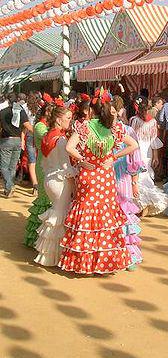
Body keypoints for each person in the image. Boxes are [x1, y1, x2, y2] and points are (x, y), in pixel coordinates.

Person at [59, 91, 138, 275]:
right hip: (106, 175)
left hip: (88, 175)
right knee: (105, 216)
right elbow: (134, 145)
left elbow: (69, 147)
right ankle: (104, 262)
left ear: (92, 111)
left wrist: (81, 160)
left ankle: (84, 262)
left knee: (86, 214)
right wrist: (113, 157)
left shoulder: (84, 127)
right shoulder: (115, 128)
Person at [34, 107, 76, 267]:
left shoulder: (46, 136)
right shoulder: (62, 140)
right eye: (68, 118)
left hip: (49, 179)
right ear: (59, 119)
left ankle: (49, 256)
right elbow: (67, 167)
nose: (69, 120)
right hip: (60, 181)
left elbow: (44, 163)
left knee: (54, 216)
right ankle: (57, 257)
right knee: (59, 217)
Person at [112, 100, 143, 269]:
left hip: (122, 176)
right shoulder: (101, 131)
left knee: (124, 212)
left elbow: (135, 157)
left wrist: (135, 181)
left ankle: (128, 255)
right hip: (107, 177)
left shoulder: (127, 130)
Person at [130, 100, 168, 216]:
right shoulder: (153, 122)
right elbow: (154, 140)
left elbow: (131, 137)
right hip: (148, 150)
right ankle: (146, 203)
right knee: (146, 174)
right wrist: (156, 156)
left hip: (137, 149)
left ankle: (139, 205)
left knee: (136, 176)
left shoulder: (134, 120)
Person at [24, 101, 53, 248]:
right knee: (44, 199)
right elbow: (50, 140)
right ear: (46, 113)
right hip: (43, 165)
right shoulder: (40, 127)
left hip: (50, 164)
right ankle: (35, 236)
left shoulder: (45, 126)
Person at [0, 93, 32, 198]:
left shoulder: (2, 112)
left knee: (4, 166)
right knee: (12, 166)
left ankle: (9, 186)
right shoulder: (21, 111)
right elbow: (27, 126)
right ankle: (8, 187)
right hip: (18, 140)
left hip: (6, 140)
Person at [25, 93, 40, 193]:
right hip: (39, 134)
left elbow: (24, 125)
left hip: (30, 135)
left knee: (32, 160)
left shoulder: (25, 109)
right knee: (39, 159)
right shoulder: (39, 108)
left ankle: (35, 184)